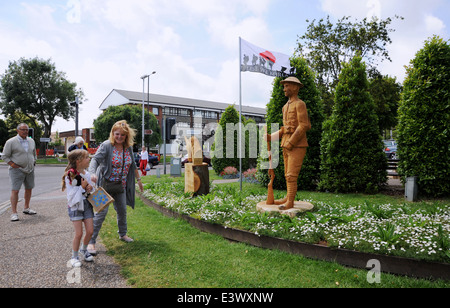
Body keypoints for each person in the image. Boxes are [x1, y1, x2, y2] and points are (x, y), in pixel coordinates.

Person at [87, 120, 144, 255]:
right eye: (117, 134)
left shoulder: (128, 147)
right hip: (103, 185)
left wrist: (139, 180)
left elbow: (133, 166)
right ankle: (91, 242)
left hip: (120, 186)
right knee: (101, 214)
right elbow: (95, 160)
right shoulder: (107, 145)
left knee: (122, 210)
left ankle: (122, 234)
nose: (119, 137)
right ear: (113, 133)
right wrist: (92, 174)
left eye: (122, 135)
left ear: (126, 136)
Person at [266, 77, 311, 210]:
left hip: (297, 144)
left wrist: (291, 142)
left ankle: (290, 202)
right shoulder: (285, 107)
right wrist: (271, 137)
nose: (284, 89)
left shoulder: (300, 104)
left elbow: (304, 125)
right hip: (285, 144)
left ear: (295, 88)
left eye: (287, 86)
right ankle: (288, 197)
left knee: (291, 174)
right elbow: (284, 129)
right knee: (287, 174)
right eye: (284, 86)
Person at [62, 149, 95, 267]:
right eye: (87, 157)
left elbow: (90, 189)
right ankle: (74, 256)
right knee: (79, 233)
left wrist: (90, 188)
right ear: (78, 161)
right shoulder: (70, 175)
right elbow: (72, 196)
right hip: (75, 206)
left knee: (90, 231)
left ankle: (83, 249)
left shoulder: (86, 174)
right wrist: (82, 187)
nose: (89, 159)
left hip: (87, 205)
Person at [2, 123, 37, 222]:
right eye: (23, 129)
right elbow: (5, 156)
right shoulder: (11, 142)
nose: (25, 131)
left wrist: (34, 161)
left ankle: (26, 208)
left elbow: (33, 153)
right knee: (15, 190)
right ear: (17, 130)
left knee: (29, 188)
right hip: (16, 170)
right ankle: (14, 213)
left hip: (30, 169)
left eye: (27, 130)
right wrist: (12, 164)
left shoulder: (31, 141)